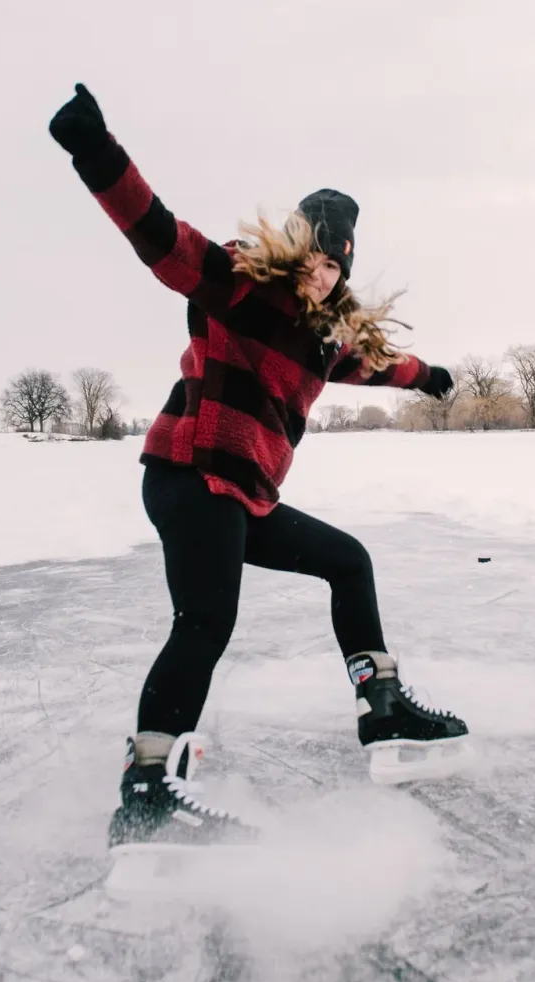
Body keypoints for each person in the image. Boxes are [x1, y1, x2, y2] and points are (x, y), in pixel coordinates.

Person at [49, 84, 469, 849]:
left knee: (348, 561)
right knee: (207, 619)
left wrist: (429, 374)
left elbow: (377, 365)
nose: (322, 275)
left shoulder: (323, 337)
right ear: (292, 247)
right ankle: (147, 785)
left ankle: (383, 709)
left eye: (335, 266)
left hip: (245, 495)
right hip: (189, 473)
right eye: (314, 256)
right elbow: (163, 238)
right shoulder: (236, 285)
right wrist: (97, 153)